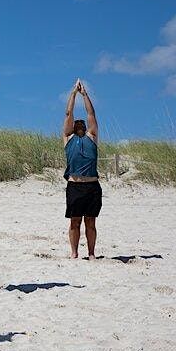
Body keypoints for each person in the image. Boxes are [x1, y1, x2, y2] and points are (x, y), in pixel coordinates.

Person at [62, 79, 101, 260]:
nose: (78, 124)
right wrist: (72, 94)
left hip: (92, 186)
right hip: (75, 186)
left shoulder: (91, 137)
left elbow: (91, 113)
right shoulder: (68, 138)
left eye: (81, 124)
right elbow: (69, 113)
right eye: (75, 124)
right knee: (74, 222)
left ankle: (91, 253)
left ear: (85, 128)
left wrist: (84, 94)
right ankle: (74, 252)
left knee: (90, 222)